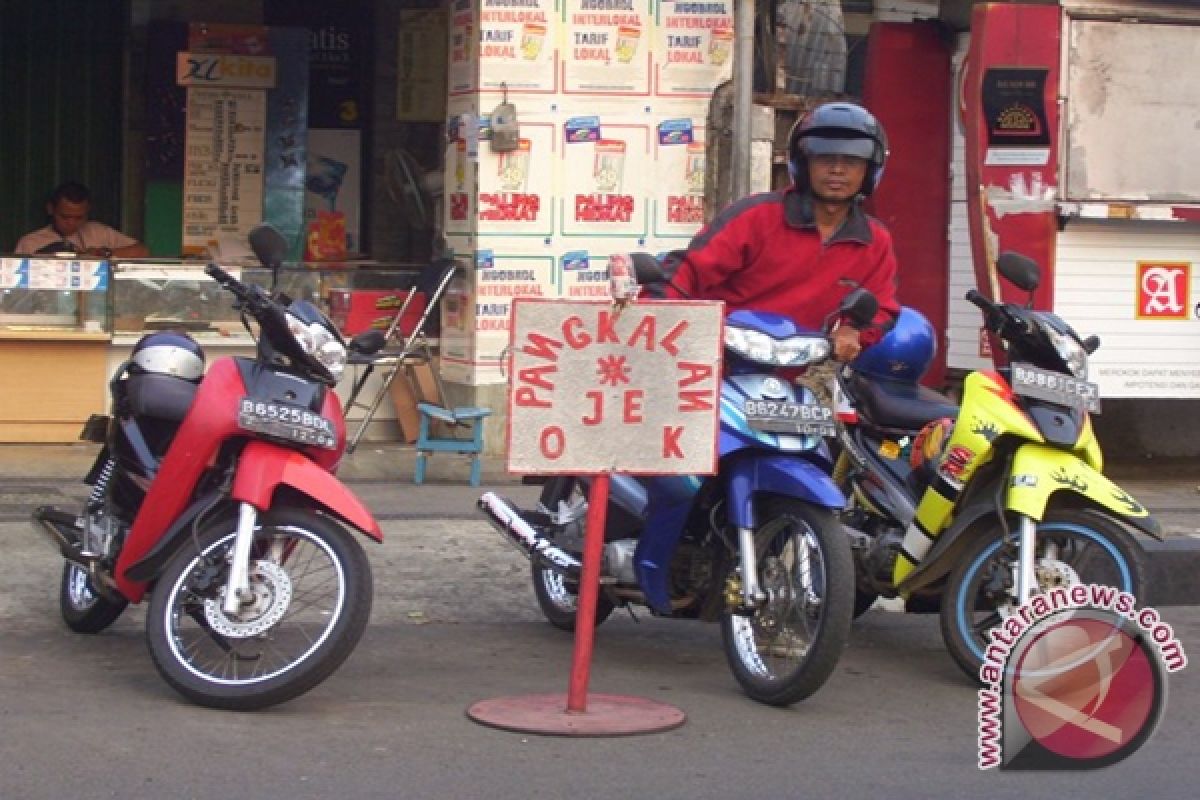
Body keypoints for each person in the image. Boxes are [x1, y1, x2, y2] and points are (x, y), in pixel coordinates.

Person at [633, 101, 900, 362]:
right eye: (825, 159)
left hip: (790, 378)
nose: (837, 170)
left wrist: (853, 330)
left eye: (851, 162)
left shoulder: (874, 241)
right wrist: (656, 325)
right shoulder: (756, 217)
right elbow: (685, 273)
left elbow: (881, 308)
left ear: (869, 170)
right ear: (803, 164)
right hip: (708, 368)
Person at [14, 181, 149, 258]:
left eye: (79, 218)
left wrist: (102, 253)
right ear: (51, 209)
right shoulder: (30, 243)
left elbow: (142, 251)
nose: (71, 223)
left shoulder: (99, 232)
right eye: (65, 217)